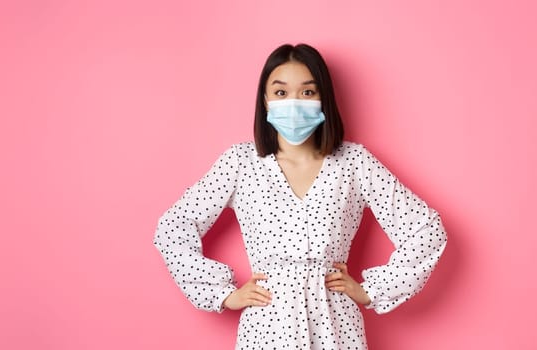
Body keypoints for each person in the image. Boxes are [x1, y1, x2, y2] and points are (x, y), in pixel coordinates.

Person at [153, 43, 447, 349]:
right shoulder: (241, 163)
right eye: (281, 93)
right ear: (265, 101)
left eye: (307, 92)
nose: (294, 102)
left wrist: (374, 290)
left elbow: (426, 230)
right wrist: (222, 293)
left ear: (323, 100)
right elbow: (173, 227)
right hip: (266, 326)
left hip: (336, 325)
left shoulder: (354, 163)